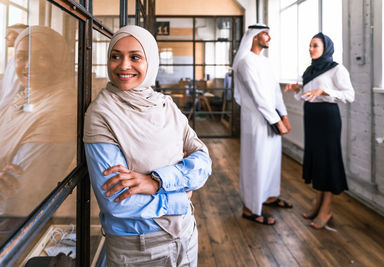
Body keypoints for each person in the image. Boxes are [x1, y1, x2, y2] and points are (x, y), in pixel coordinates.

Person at [83, 25, 212, 266]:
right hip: (139, 249)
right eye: (115, 56)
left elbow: (203, 161)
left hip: (186, 233)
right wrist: (180, 197)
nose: (123, 65)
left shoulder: (165, 105)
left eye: (135, 57)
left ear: (150, 61)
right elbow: (117, 203)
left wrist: (156, 182)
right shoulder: (101, 114)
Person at [0, 26, 76, 216]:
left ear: (59, 61)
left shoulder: (60, 108)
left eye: (43, 57)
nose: (29, 66)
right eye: (22, 57)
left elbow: (15, 191)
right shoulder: (23, 98)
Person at [285, 32, 355, 229]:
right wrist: (297, 90)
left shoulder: (336, 69)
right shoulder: (310, 70)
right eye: (310, 45)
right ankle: (318, 203)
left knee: (328, 160)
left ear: (326, 48)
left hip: (327, 118)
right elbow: (308, 95)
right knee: (317, 160)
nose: (311, 49)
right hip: (312, 117)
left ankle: (327, 209)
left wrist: (324, 91)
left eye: (315, 45)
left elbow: (349, 95)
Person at [232, 24, 292, 226]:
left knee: (272, 160)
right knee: (256, 162)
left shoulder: (265, 62)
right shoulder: (245, 62)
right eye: (266, 34)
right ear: (255, 36)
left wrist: (283, 115)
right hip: (256, 121)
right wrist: (276, 121)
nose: (269, 38)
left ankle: (270, 197)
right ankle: (250, 208)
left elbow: (275, 91)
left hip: (272, 117)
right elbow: (258, 96)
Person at [0, 24, 28, 110]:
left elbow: (12, 91)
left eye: (9, 33)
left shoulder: (20, 61)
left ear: (19, 36)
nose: (5, 37)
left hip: (14, 108)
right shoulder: (13, 59)